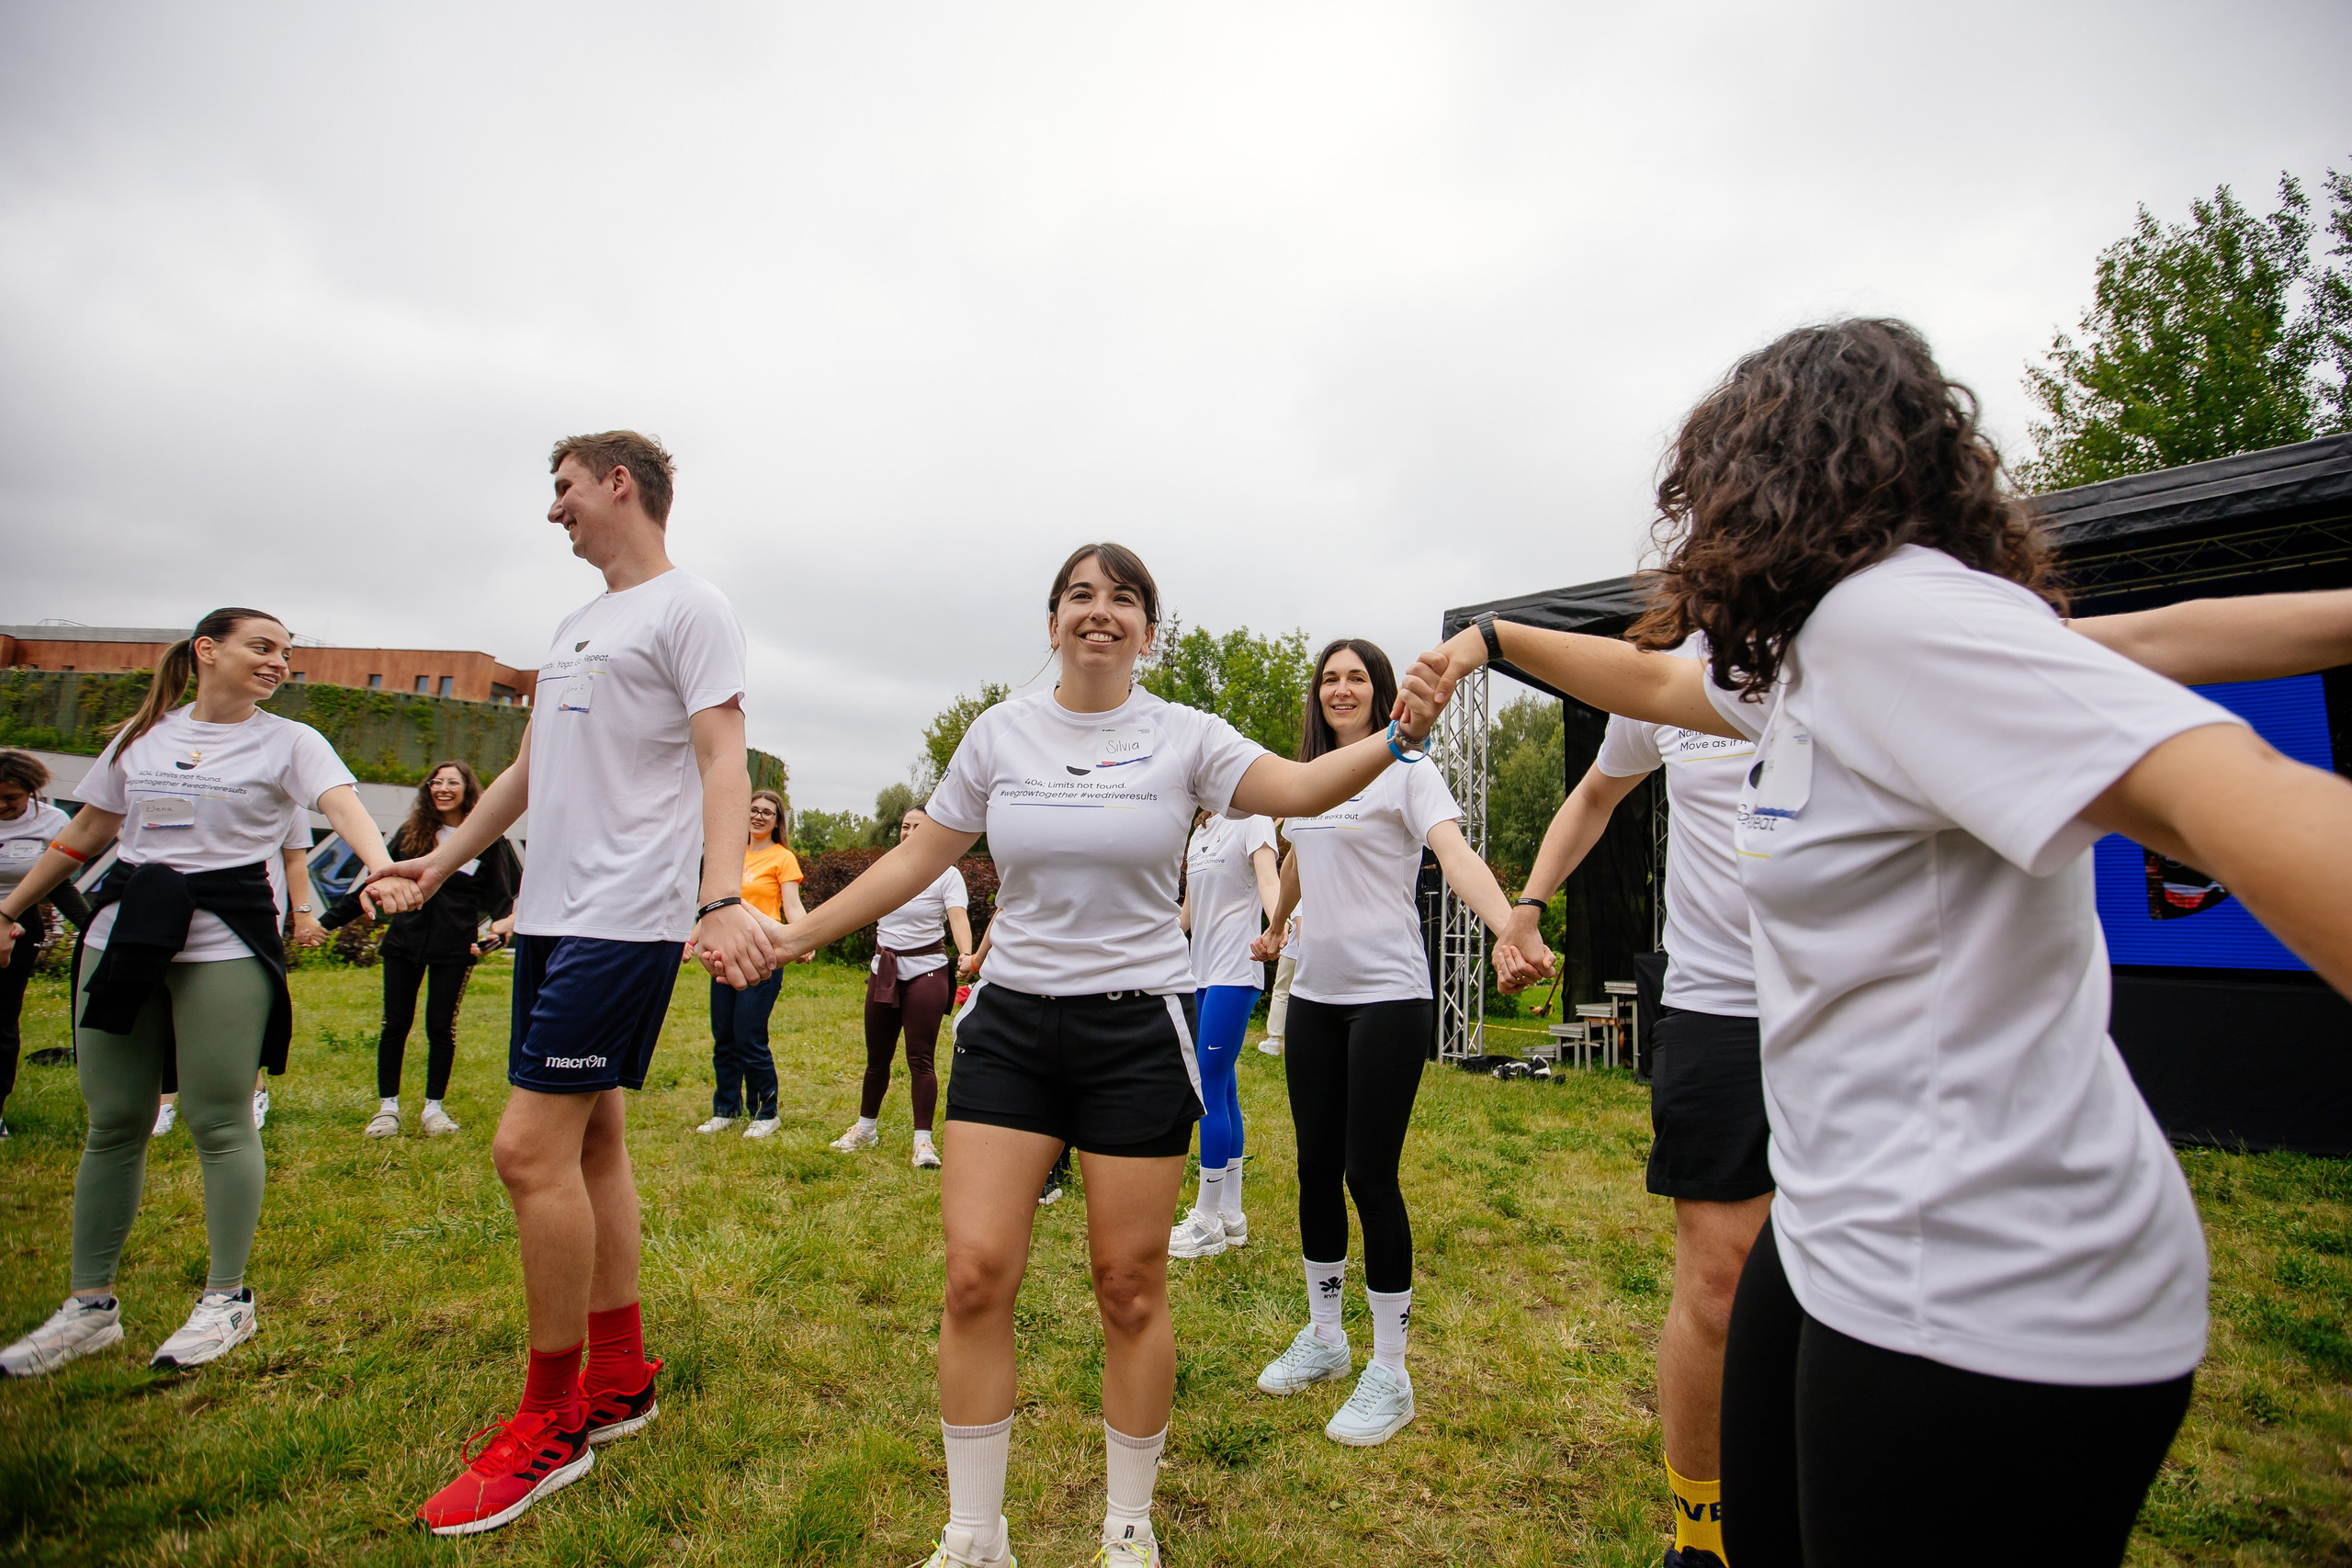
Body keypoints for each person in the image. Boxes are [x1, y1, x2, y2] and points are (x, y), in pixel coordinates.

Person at [1419, 319, 2352, 1566]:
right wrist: (1492, 639)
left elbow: (2243, 791)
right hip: (1845, 1231)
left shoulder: (1899, 626)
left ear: (1769, 477)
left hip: (1991, 1294)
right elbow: (1655, 687)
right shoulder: (1806, 656)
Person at [722, 544, 1443, 1568]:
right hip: (1011, 1027)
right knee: (975, 1275)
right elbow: (918, 857)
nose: (1100, 611)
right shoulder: (1000, 733)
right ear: (1053, 620)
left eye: (1123, 599)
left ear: (1148, 631)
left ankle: (1127, 1530)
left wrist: (1400, 736)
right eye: (1080, 595)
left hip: (1135, 1030)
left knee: (1129, 1284)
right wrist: (796, 934)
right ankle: (975, 1537)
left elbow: (1303, 783)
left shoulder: (1186, 735)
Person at [377, 432, 776, 1535]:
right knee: (591, 1140)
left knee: (524, 1151)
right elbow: (527, 770)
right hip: (552, 915)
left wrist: (718, 896)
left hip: (625, 915)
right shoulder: (573, 627)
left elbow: (724, 756)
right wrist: (439, 863)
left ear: (618, 484)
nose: (552, 508)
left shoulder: (692, 606)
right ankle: (620, 1375)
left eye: (562, 488)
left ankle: (552, 1425)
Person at [0, 608, 417, 1378]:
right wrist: (9, 909)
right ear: (206, 650)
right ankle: (89, 1307)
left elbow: (341, 805)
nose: (278, 662)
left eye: (286, 652)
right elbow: (85, 832)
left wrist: (380, 865)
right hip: (122, 936)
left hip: (223, 941)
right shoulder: (142, 733)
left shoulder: (291, 740)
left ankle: (227, 1299)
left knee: (219, 1118)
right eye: (262, 647)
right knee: (113, 1121)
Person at [1244, 638, 1519, 1447]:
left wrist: (1509, 926)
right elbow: (1298, 857)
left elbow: (1455, 854)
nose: (1341, 688)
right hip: (1317, 1000)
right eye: (1329, 678)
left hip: (1390, 997)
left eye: (1356, 677)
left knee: (1369, 1174)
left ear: (1381, 690)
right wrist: (1277, 924)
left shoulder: (1409, 770)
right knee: (1314, 1169)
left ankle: (1391, 1371)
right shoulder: (1310, 778)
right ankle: (1326, 1338)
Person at [322, 761, 520, 1140]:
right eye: (436, 782)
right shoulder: (411, 834)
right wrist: (324, 923)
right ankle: (387, 1109)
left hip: (455, 948)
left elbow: (502, 901)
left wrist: (498, 934)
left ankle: (434, 1109)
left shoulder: (487, 841)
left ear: (468, 790)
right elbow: (375, 883)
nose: (442, 788)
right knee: (394, 1025)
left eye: (452, 782)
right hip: (403, 943)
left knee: (441, 1028)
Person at [831, 803, 972, 1168]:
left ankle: (923, 1142)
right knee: (876, 1059)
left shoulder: (946, 874)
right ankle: (865, 1129)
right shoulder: (886, 868)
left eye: (918, 827)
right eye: (905, 826)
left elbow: (957, 917)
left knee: (920, 1059)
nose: (909, 832)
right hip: (885, 969)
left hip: (927, 971)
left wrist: (967, 953)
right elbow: (854, 907)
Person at [1165, 807, 1278, 1259]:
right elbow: (1188, 914)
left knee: (1207, 1087)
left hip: (1236, 970)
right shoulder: (1201, 832)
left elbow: (1270, 883)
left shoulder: (1255, 821)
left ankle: (1206, 1218)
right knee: (1224, 1089)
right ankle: (1230, 1214)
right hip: (1201, 974)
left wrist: (1279, 927)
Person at [700, 787, 804, 1138]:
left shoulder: (782, 858)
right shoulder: (730, 857)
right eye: (754, 810)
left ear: (777, 822)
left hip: (762, 957)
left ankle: (766, 1113)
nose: (759, 816)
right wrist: (692, 940)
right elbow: (713, 907)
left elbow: (792, 905)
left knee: (749, 1036)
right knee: (724, 1036)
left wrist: (804, 938)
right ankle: (725, 1109)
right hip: (724, 956)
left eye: (767, 812)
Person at [0, 750, 93, 1139]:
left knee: (3, 1021)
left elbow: (58, 883)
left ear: (32, 792)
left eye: (11, 798)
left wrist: (95, 931)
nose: (2, 806)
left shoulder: (53, 822)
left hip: (17, 932)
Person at [1258, 899, 1300, 1056]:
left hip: (1294, 953)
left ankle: (1274, 1040)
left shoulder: (1301, 898)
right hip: (1306, 953)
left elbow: (1299, 921)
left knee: (1281, 992)